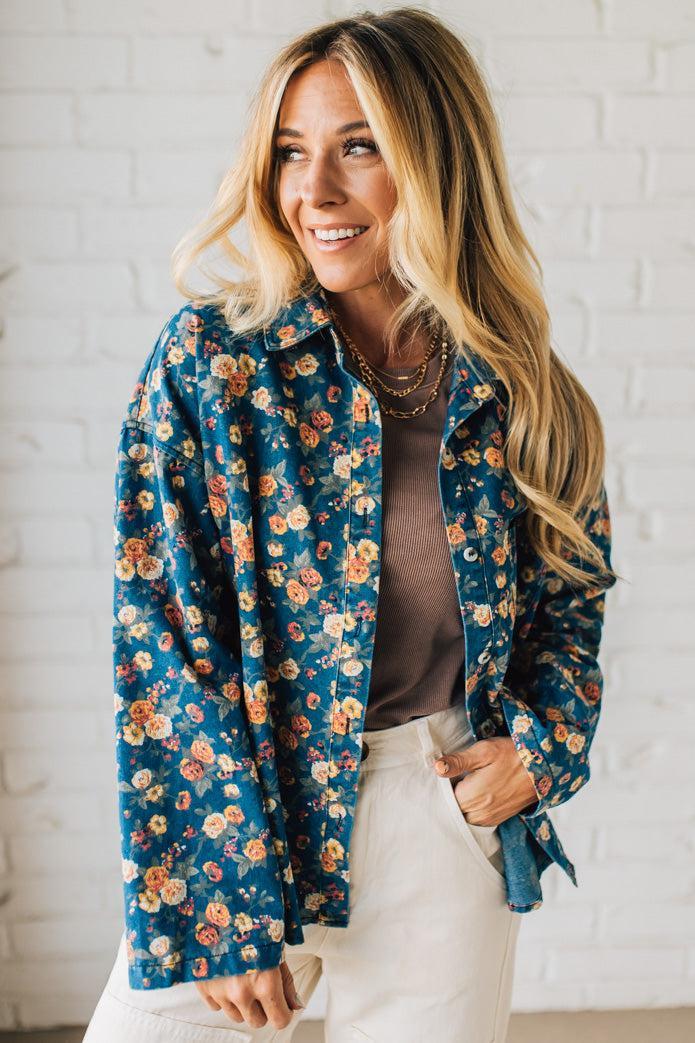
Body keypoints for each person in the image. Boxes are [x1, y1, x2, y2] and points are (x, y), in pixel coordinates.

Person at [83, 7, 618, 1042]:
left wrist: (538, 750)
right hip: (248, 819)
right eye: (289, 153)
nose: (312, 192)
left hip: (440, 814)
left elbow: (572, 596)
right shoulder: (210, 366)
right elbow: (161, 640)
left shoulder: (524, 396)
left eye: (357, 148)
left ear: (434, 161)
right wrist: (216, 893)